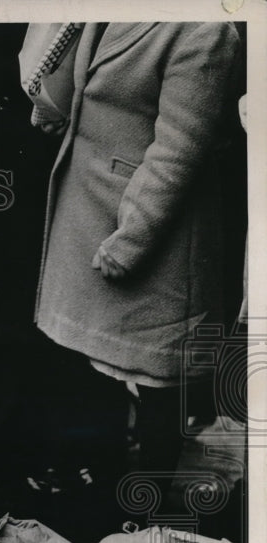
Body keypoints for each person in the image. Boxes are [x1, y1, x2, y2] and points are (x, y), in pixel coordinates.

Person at [34, 22, 244, 507]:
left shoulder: (205, 32)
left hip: (153, 232)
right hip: (87, 211)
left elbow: (178, 151)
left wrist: (132, 239)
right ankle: (96, 493)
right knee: (90, 361)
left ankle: (143, 508)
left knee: (156, 379)